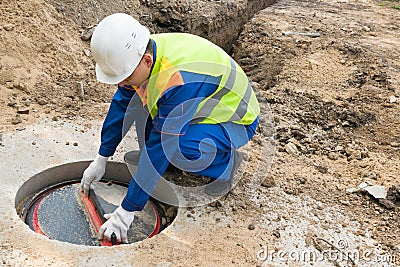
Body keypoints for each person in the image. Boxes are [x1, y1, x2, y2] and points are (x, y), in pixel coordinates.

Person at [80, 13, 260, 244]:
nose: (121, 84)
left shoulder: (178, 77)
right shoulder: (141, 55)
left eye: (124, 77)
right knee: (148, 119)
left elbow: (163, 144)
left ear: (146, 61)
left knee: (176, 148)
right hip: (199, 107)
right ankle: (171, 167)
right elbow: (122, 107)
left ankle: (226, 165)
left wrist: (128, 210)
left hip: (235, 119)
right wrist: (101, 157)